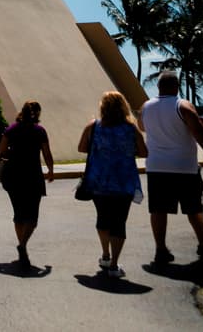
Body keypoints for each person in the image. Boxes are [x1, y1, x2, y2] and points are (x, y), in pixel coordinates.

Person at [139, 69, 203, 264]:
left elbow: (142, 127)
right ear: (176, 86)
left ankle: (161, 249)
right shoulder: (183, 105)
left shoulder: (146, 107)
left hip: (156, 167)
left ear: (158, 87)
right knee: (193, 208)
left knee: (158, 210)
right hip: (184, 167)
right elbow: (200, 131)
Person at [78, 90, 147, 278]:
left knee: (102, 218)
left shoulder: (94, 126)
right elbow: (144, 152)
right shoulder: (131, 128)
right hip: (124, 182)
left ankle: (105, 254)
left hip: (99, 181)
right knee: (119, 222)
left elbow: (81, 147)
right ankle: (115, 265)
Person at [0, 100, 56, 269]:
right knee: (32, 217)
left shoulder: (12, 129)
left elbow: (1, 150)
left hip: (12, 175)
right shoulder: (39, 131)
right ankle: (22, 245)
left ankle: (22, 248)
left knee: (19, 214)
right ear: (37, 114)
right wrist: (51, 171)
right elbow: (47, 153)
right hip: (32, 176)